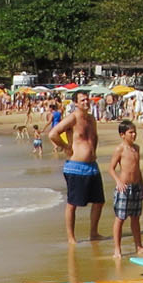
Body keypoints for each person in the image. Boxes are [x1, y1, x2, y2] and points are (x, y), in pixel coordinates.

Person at [48, 90, 105, 244]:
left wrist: (93, 151)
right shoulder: (73, 118)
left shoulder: (92, 119)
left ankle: (94, 232)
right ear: (75, 103)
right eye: (82, 100)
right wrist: (66, 147)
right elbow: (53, 133)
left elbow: (94, 137)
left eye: (87, 100)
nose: (86, 102)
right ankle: (71, 237)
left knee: (99, 201)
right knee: (73, 203)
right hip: (76, 166)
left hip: (92, 165)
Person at [108, 121, 143, 258]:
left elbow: (137, 169)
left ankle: (139, 246)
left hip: (136, 186)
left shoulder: (136, 148)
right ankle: (117, 248)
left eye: (134, 132)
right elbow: (111, 168)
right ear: (122, 135)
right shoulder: (120, 149)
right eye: (130, 132)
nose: (134, 135)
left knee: (135, 218)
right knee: (120, 218)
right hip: (124, 187)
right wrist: (118, 181)